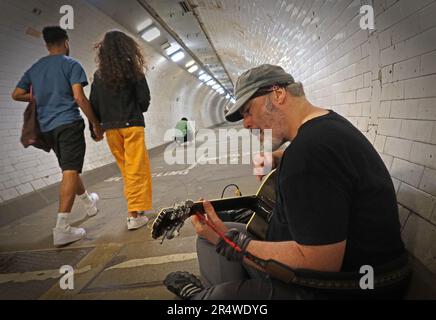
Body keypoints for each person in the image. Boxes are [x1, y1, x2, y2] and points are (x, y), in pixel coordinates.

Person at [164, 64, 410, 299]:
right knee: (209, 243)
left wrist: (228, 240)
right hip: (373, 273)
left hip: (340, 287)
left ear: (278, 94)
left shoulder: (309, 155)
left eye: (248, 111)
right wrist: (278, 156)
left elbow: (320, 264)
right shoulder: (326, 127)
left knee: (220, 275)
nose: (246, 123)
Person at [11, 26, 104, 247]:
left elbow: (16, 94)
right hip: (68, 124)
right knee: (71, 170)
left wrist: (40, 98)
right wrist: (95, 123)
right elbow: (80, 98)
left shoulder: (36, 68)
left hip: (47, 127)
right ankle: (62, 228)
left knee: (68, 168)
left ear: (46, 45)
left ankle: (88, 202)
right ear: (66, 42)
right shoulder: (71, 64)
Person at [90, 30, 153, 231]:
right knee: (137, 170)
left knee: (127, 170)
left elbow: (94, 103)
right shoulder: (133, 71)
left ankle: (138, 208)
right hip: (132, 126)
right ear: (127, 47)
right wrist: (136, 108)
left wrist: (98, 125)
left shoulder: (99, 76)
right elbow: (144, 101)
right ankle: (133, 215)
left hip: (111, 130)